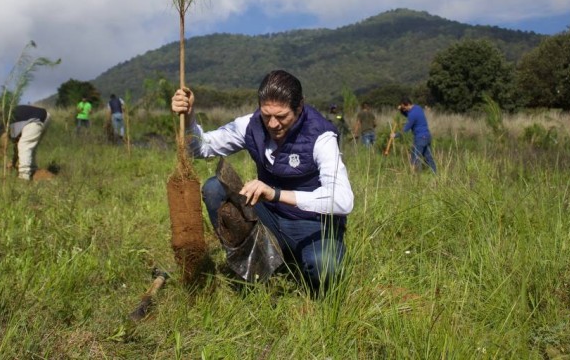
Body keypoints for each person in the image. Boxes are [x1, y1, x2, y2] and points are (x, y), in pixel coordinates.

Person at [171, 69, 354, 293]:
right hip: (269, 217)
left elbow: (343, 200)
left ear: (299, 107)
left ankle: (296, 265)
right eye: (267, 115)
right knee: (214, 188)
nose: (273, 124)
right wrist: (189, 117)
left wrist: (275, 193)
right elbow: (201, 148)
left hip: (311, 223)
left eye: (282, 116)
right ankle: (252, 270)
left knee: (325, 268)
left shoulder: (321, 136)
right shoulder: (251, 124)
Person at [0, 105, 51, 180]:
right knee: (28, 146)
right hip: (44, 117)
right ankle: (33, 171)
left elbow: (3, 149)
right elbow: (16, 145)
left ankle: (24, 177)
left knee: (24, 145)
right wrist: (13, 162)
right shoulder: (7, 122)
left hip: (35, 119)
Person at [390, 96, 437, 173]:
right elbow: (407, 114)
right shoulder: (418, 108)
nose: (404, 110)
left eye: (404, 108)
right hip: (427, 136)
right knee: (429, 158)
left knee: (415, 158)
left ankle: (417, 178)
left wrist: (395, 135)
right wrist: (401, 110)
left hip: (420, 138)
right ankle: (435, 174)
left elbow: (405, 130)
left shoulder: (412, 115)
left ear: (407, 104)